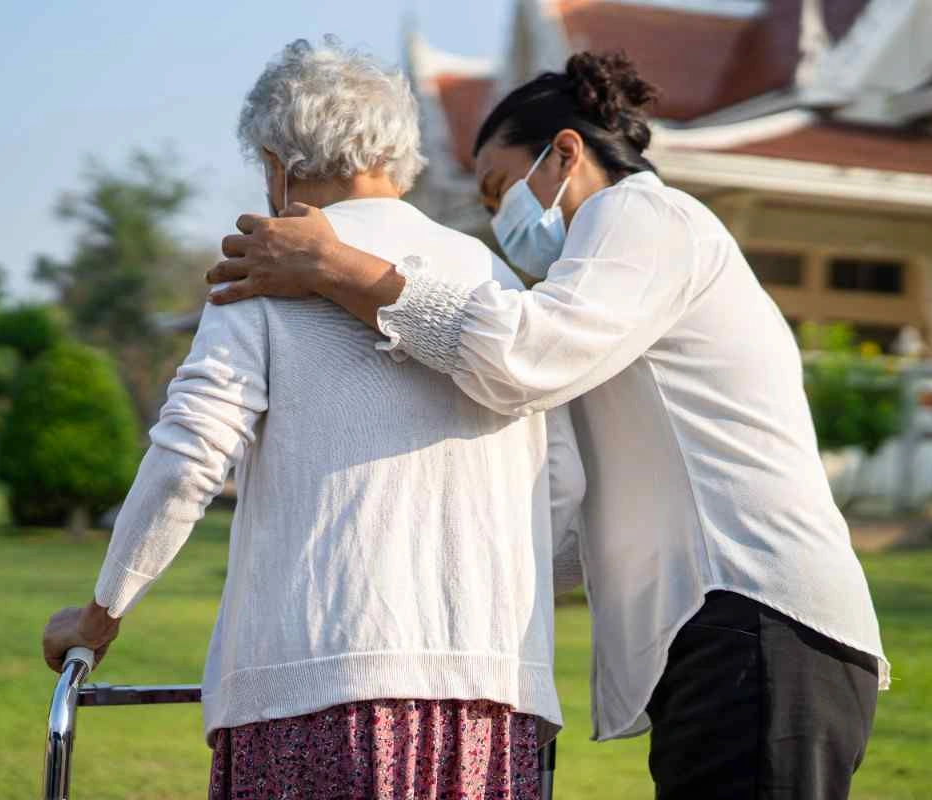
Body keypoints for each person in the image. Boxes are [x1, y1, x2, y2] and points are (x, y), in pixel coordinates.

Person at [207, 50, 890, 799]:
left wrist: (338, 267)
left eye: (499, 188)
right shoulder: (603, 292)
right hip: (725, 633)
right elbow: (565, 503)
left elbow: (521, 357)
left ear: (565, 152)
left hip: (759, 616)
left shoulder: (643, 215)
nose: (500, 223)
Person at [41, 38, 586, 800]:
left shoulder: (266, 268)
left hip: (319, 687)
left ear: (277, 167)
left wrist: (100, 615)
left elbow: (189, 457)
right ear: (398, 154)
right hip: (492, 704)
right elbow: (564, 483)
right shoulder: (496, 278)